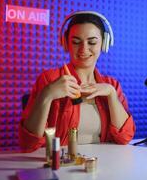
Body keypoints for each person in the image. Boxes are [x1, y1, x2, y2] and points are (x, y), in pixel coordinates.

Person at [19, 11, 136, 152]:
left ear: (104, 44)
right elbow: (28, 144)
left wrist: (111, 95)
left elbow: (125, 137)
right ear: (65, 43)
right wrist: (47, 94)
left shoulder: (112, 85)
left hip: (101, 164)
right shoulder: (49, 79)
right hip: (62, 165)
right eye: (76, 42)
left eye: (92, 42)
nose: (83, 49)